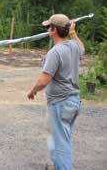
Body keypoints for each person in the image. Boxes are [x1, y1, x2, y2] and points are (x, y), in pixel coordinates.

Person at [27, 14, 85, 170]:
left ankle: (62, 166)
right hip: (72, 102)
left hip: (61, 104)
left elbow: (44, 80)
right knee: (58, 137)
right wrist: (73, 33)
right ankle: (58, 165)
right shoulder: (73, 46)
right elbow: (82, 48)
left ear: (53, 30)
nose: (47, 29)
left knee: (61, 144)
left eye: (48, 27)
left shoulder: (55, 52)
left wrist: (33, 90)